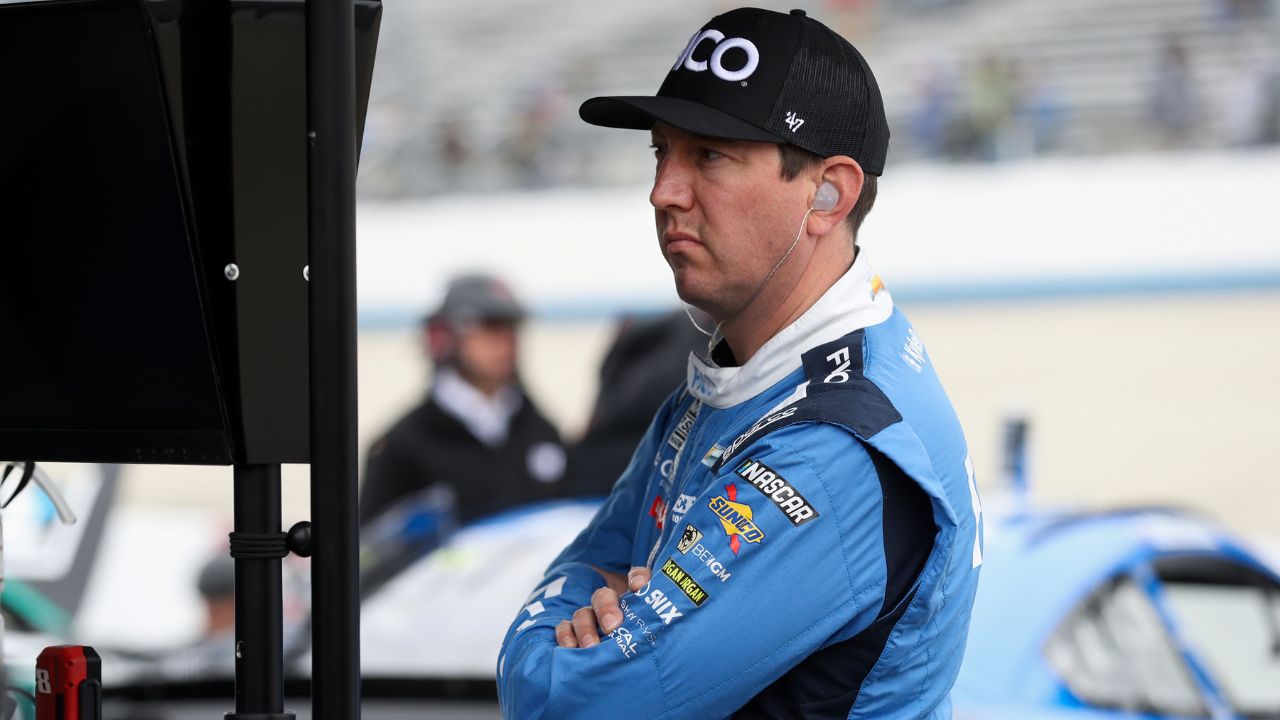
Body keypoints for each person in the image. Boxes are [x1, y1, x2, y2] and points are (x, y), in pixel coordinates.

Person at [497, 8, 982, 719]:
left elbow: (570, 706)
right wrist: (566, 624)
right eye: (661, 152)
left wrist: (538, 646)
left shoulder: (828, 447)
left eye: (710, 156)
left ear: (829, 194)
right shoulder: (743, 377)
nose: (665, 191)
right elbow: (581, 569)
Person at [359, 273, 566, 525]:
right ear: (445, 336)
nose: (505, 341)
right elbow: (372, 548)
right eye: (488, 326)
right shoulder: (402, 446)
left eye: (511, 327)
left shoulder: (541, 431)